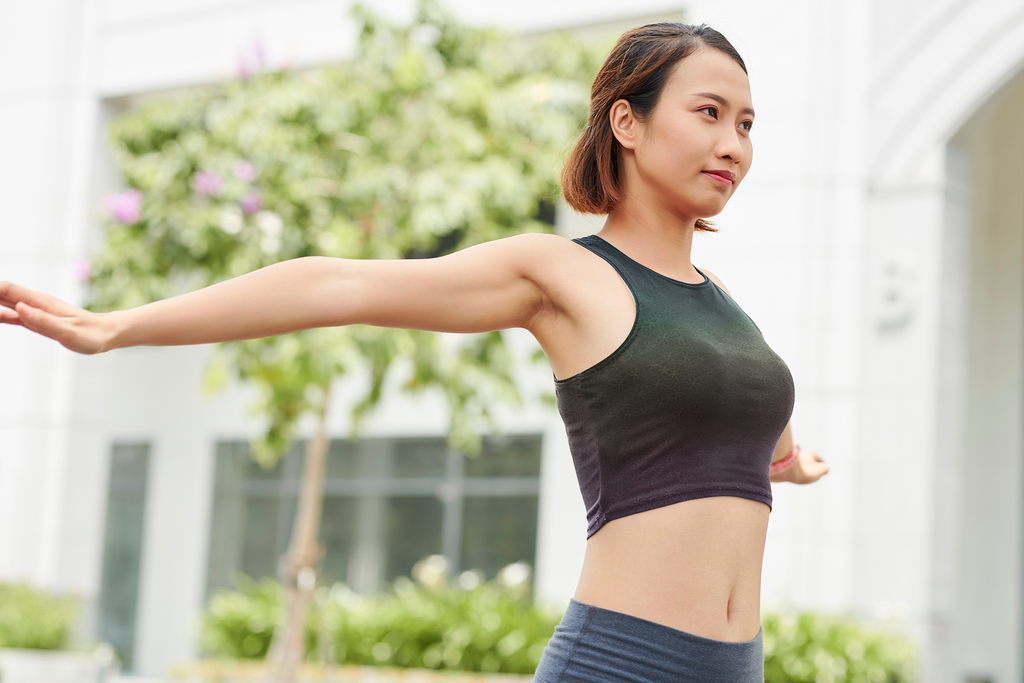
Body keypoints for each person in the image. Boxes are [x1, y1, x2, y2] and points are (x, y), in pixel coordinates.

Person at [0, 22, 827, 683]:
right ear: (628, 121)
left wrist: (780, 458)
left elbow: (738, 413)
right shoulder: (563, 272)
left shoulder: (722, 302)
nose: (733, 144)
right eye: (709, 112)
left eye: (747, 124)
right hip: (621, 661)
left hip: (734, 666)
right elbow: (336, 286)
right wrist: (118, 325)